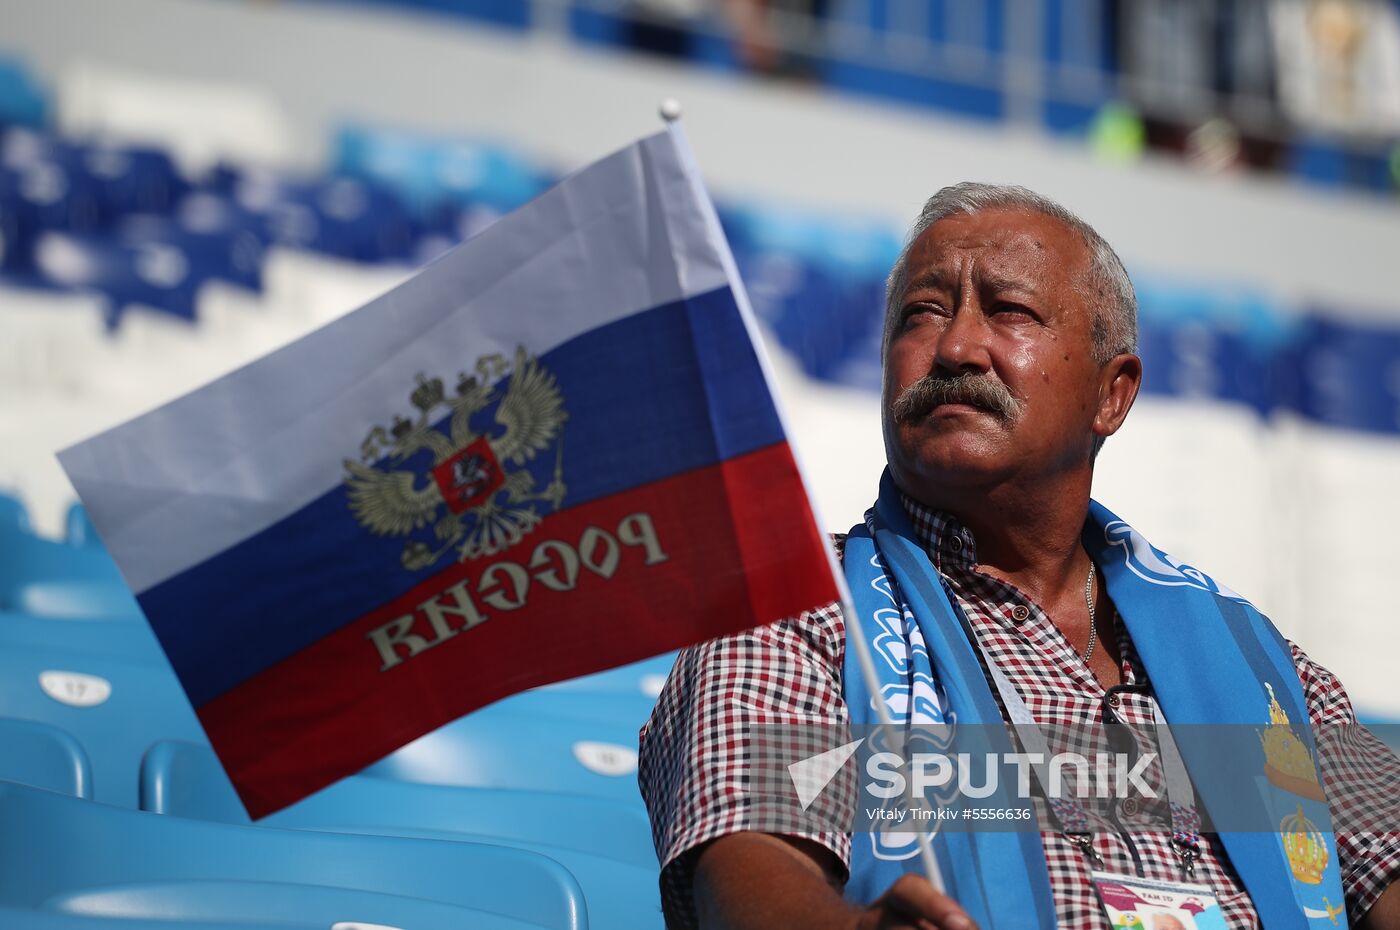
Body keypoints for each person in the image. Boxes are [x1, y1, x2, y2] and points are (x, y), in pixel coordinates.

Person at [638, 183, 1400, 930]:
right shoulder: (794, 614)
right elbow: (753, 876)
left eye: (1008, 311)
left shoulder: (1266, 669)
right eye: (922, 313)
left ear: (1113, 394)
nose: (957, 346)